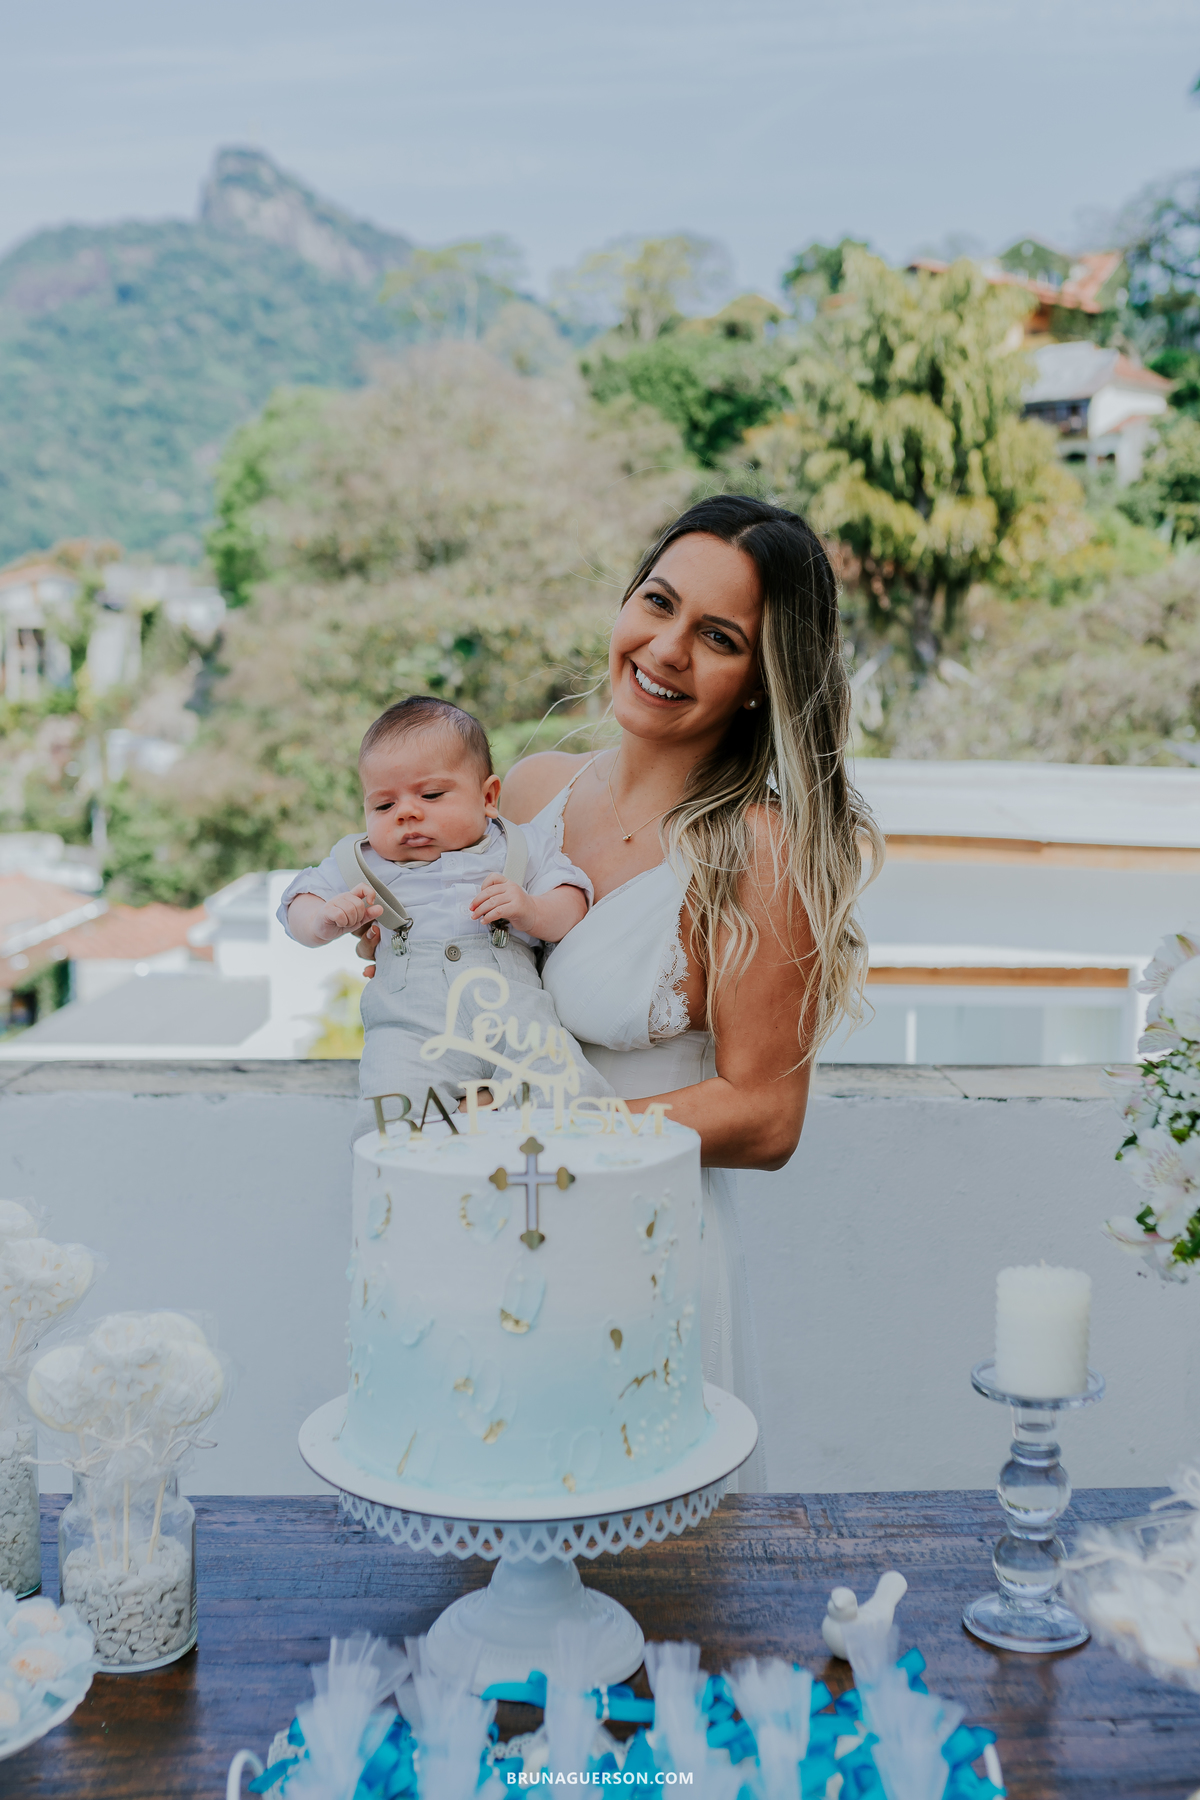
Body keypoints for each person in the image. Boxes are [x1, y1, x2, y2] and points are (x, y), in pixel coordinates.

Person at [498, 496, 881, 1490]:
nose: (666, 649)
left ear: (761, 683)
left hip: (641, 1246)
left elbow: (765, 1115)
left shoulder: (753, 852)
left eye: (717, 637)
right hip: (491, 1220)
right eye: (657, 605)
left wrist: (556, 1138)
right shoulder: (531, 790)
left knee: (638, 1570)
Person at [280, 695, 612, 1141]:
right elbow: (297, 898)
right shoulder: (362, 862)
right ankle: (413, 1198)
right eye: (382, 806)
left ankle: (566, 1185)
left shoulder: (521, 847)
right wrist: (322, 919)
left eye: (431, 795)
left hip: (514, 1013)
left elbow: (572, 901)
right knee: (389, 1122)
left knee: (566, 1092)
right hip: (410, 1024)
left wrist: (531, 910)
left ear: (489, 796)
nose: (407, 813)